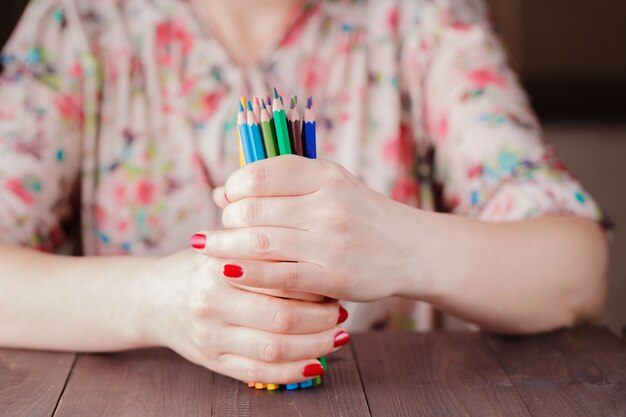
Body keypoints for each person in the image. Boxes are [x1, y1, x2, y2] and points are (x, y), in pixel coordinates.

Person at [0, 0, 610, 385]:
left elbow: (578, 272)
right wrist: (157, 299)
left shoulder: (423, 17)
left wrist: (403, 245)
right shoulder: (78, 22)